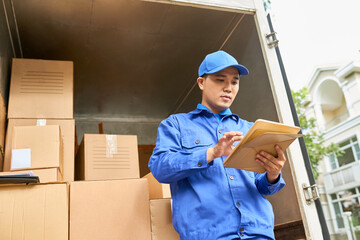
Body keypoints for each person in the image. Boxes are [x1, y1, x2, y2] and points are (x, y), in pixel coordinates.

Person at [148, 50, 286, 240]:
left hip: (258, 233)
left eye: (234, 82)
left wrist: (273, 174)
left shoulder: (250, 129)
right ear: (201, 83)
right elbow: (160, 169)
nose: (229, 87)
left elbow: (262, 188)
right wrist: (212, 153)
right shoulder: (176, 125)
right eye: (220, 80)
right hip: (208, 235)